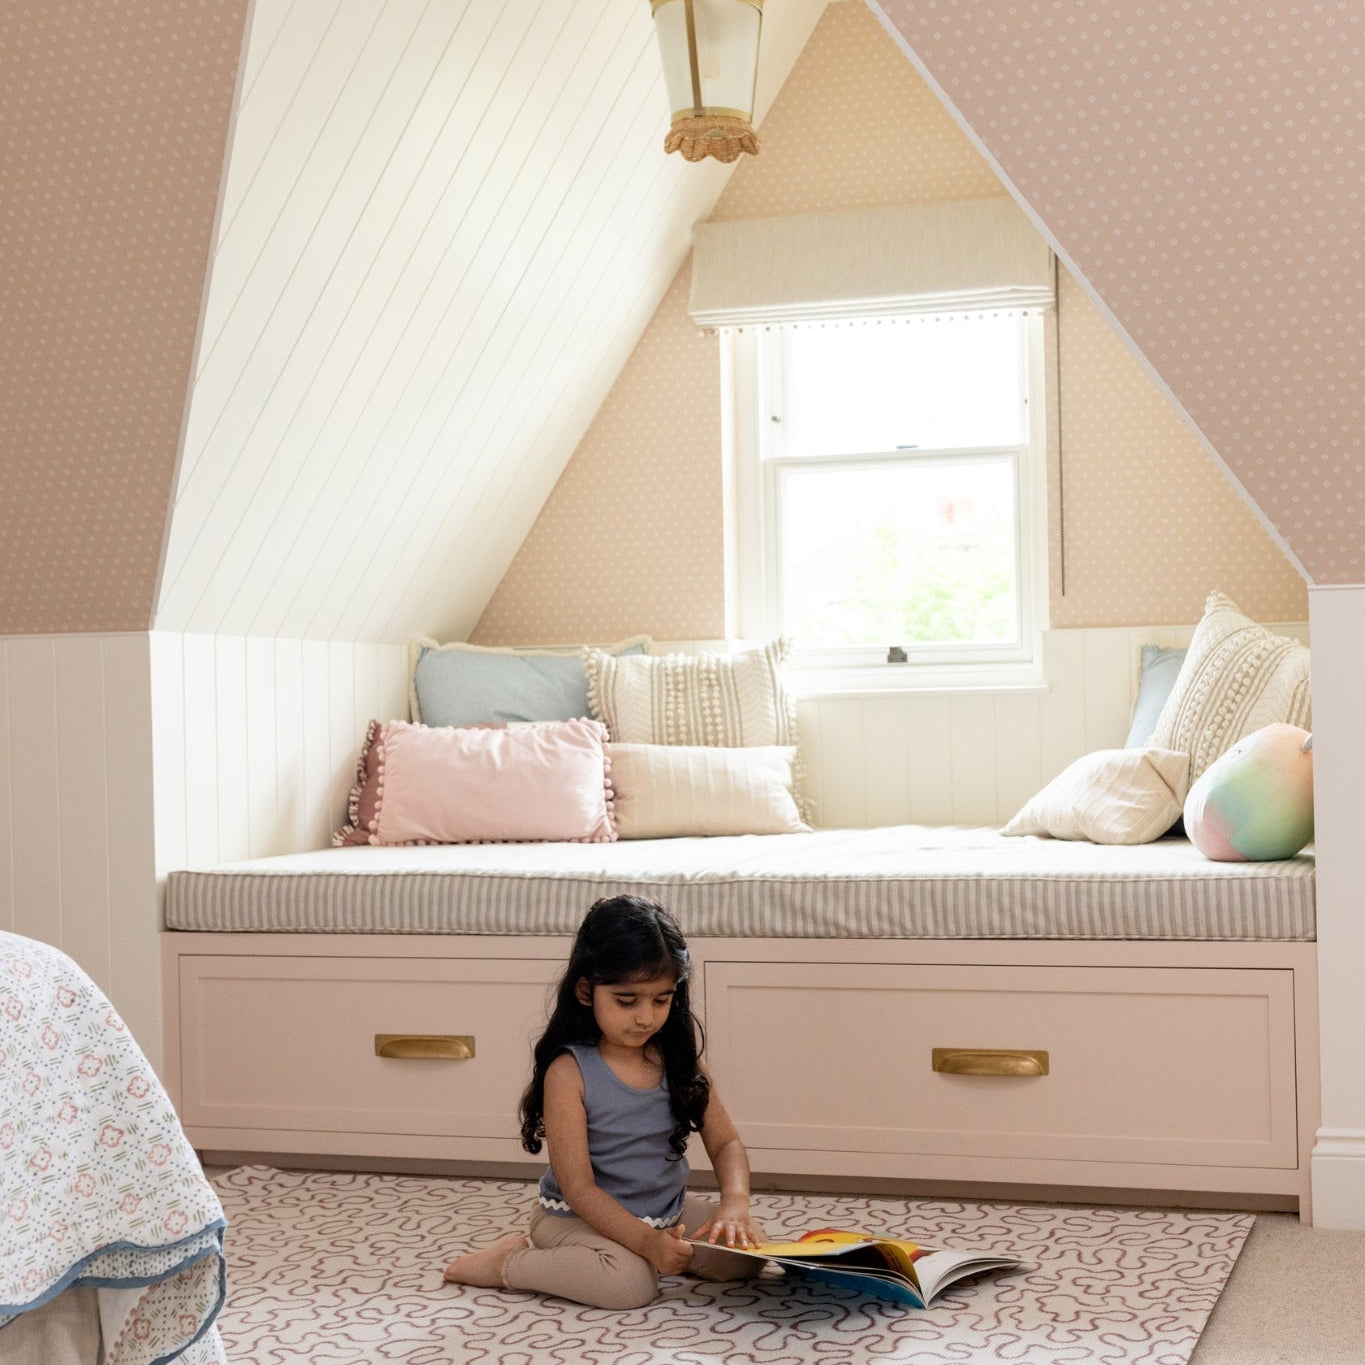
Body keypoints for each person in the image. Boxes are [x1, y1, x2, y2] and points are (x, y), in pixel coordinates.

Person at [442, 895, 765, 1309]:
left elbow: (726, 1144)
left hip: (664, 1212)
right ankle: (511, 1262)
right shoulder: (569, 1072)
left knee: (748, 1257)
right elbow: (578, 1189)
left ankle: (658, 1255)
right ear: (585, 990)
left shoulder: (680, 1061)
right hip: (576, 1218)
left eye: (661, 999)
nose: (645, 1017)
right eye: (627, 1001)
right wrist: (647, 1244)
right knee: (627, 1286)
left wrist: (734, 1206)